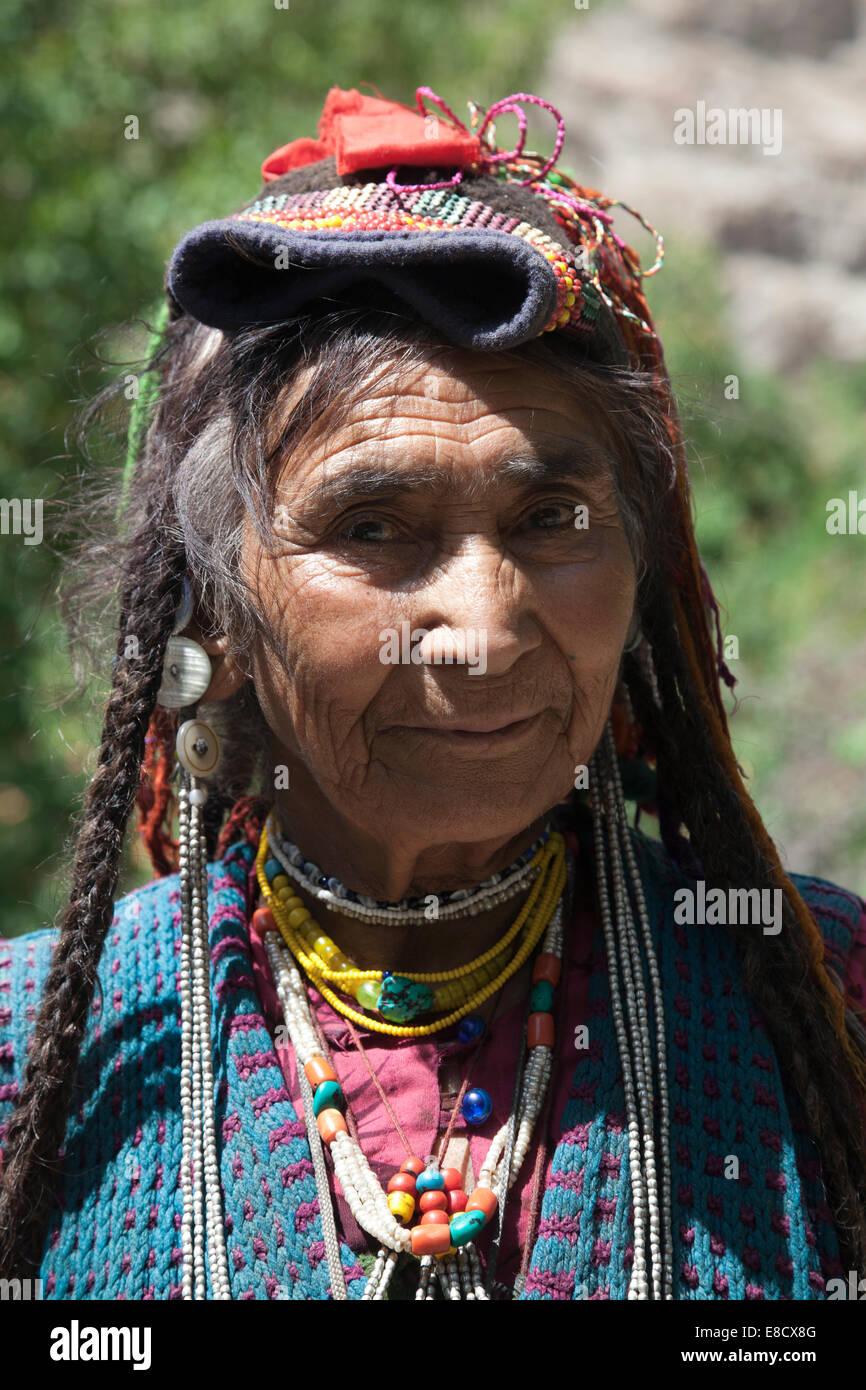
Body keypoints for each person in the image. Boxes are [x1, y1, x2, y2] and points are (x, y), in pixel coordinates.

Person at [1, 84, 864, 1302]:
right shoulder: (38, 1049)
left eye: (551, 519)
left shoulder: (824, 1004)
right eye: (374, 526)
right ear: (213, 609)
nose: (485, 625)